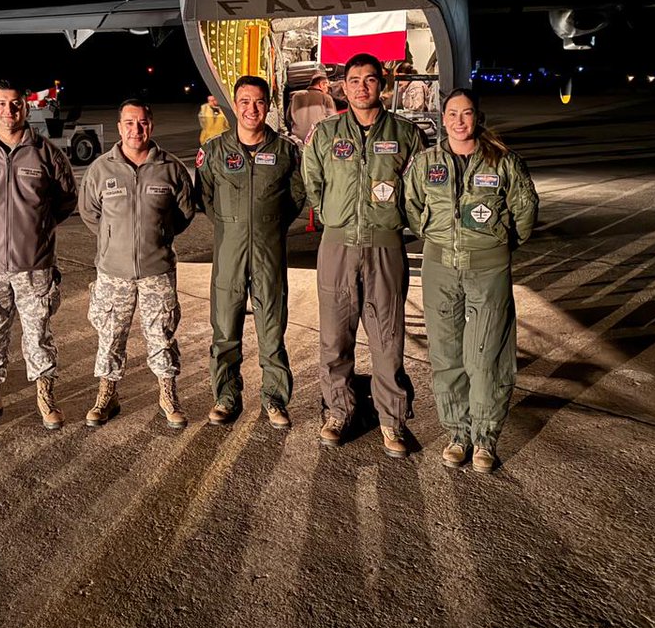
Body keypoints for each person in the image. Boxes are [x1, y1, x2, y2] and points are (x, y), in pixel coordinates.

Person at [403, 88, 538, 473]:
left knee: (487, 356)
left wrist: (498, 245)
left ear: (477, 117)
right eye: (451, 114)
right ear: (442, 118)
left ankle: (485, 438)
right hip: (439, 265)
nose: (459, 121)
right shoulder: (426, 162)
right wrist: (435, 235)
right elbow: (411, 206)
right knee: (446, 354)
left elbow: (525, 210)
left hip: (488, 267)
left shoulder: (503, 162)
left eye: (466, 114)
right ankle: (457, 434)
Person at [303, 53, 425, 455]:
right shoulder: (325, 134)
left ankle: (392, 419)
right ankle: (338, 410)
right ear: (343, 86)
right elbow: (313, 183)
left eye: (369, 80)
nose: (361, 87)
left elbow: (419, 189)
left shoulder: (406, 135)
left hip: (385, 244)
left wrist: (397, 221)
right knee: (335, 335)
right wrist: (331, 217)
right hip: (337, 245)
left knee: (387, 335)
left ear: (382, 85)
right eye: (353, 80)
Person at [0, 81, 78, 433]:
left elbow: (66, 200)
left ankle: (45, 396)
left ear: (26, 108)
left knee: (38, 335)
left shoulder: (47, 154)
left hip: (34, 266)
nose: (10, 111)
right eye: (2, 104)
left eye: (16, 104)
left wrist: (36, 227)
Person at [195, 75, 306, 429]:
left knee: (272, 327)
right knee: (225, 327)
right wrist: (233, 224)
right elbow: (206, 197)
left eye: (258, 102)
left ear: (268, 105)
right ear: (234, 105)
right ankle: (226, 396)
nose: (251, 109)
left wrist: (268, 224)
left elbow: (297, 197)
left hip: (269, 252)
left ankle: (274, 398)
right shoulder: (214, 151)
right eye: (244, 101)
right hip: (229, 250)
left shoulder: (287, 151)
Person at [78, 100, 195, 428]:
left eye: (142, 123)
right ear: (119, 127)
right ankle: (107, 394)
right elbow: (90, 214)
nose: (136, 129)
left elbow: (184, 214)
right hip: (113, 273)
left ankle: (168, 395)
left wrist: (158, 235)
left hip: (156, 270)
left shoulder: (170, 168)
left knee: (161, 335)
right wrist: (114, 240)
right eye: (129, 123)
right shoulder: (101, 169)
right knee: (111, 334)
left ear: (151, 125)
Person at [288, 71, 336, 142]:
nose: (327, 90)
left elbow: (288, 118)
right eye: (327, 86)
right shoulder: (326, 98)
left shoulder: (296, 96)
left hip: (297, 140)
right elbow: (333, 120)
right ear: (321, 84)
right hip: (317, 141)